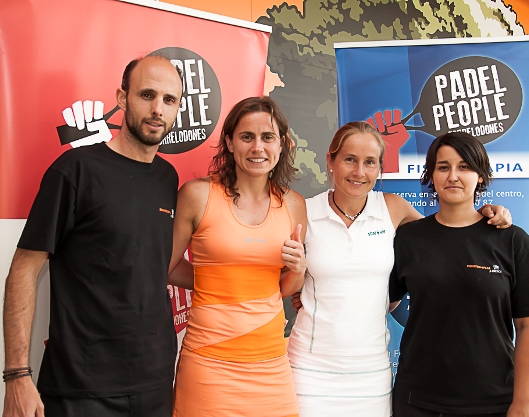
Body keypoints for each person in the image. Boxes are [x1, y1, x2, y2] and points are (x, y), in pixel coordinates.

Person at [287, 122, 512, 417]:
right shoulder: (302, 209)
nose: (359, 172)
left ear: (380, 168)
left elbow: (446, 237)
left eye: (370, 162)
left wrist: (485, 212)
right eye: (349, 159)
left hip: (372, 372)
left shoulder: (393, 208)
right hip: (309, 368)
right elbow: (282, 283)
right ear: (330, 161)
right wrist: (297, 278)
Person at [2, 56, 183, 417]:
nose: (157, 109)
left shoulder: (169, 178)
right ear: (122, 97)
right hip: (81, 389)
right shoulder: (75, 170)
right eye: (147, 94)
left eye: (169, 100)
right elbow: (24, 268)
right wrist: (17, 375)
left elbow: (156, 264)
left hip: (157, 382)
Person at [389, 132, 529, 417]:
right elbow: (377, 300)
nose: (453, 175)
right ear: (431, 176)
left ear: (481, 176)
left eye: (464, 167)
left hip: (493, 402)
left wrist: (523, 403)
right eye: (443, 167)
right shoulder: (408, 238)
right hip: (417, 401)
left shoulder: (512, 240)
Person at [169, 96, 307, 417]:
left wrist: (298, 268)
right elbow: (166, 266)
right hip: (208, 364)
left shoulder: (294, 204)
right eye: (247, 137)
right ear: (230, 143)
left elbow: (285, 287)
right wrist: (214, 281)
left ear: (282, 144)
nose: (257, 147)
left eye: (267, 137)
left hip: (271, 364)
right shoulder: (197, 194)